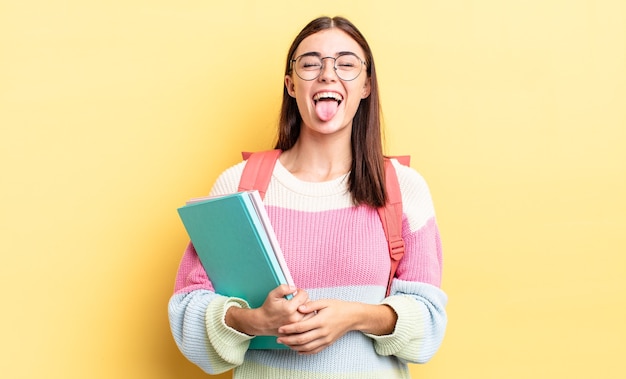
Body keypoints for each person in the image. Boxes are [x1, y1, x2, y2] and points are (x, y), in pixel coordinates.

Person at [168, 16, 447, 378]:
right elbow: (189, 309)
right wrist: (254, 321)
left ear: (366, 85)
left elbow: (429, 323)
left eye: (346, 64)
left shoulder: (404, 189)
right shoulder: (238, 186)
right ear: (291, 84)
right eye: (311, 63)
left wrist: (356, 315)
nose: (328, 74)